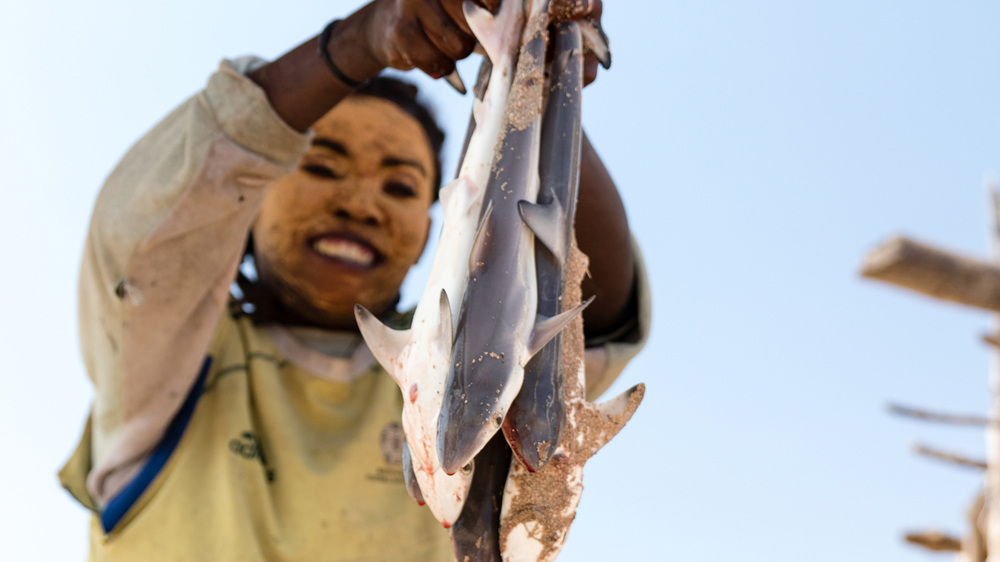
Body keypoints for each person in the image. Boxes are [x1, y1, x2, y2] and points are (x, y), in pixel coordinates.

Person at [58, 0, 650, 560]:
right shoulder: (166, 358)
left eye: (399, 186)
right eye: (322, 166)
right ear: (251, 197)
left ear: (432, 229)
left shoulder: (480, 373)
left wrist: (540, 74)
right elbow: (142, 235)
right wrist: (362, 38)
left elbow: (595, 314)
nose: (361, 204)